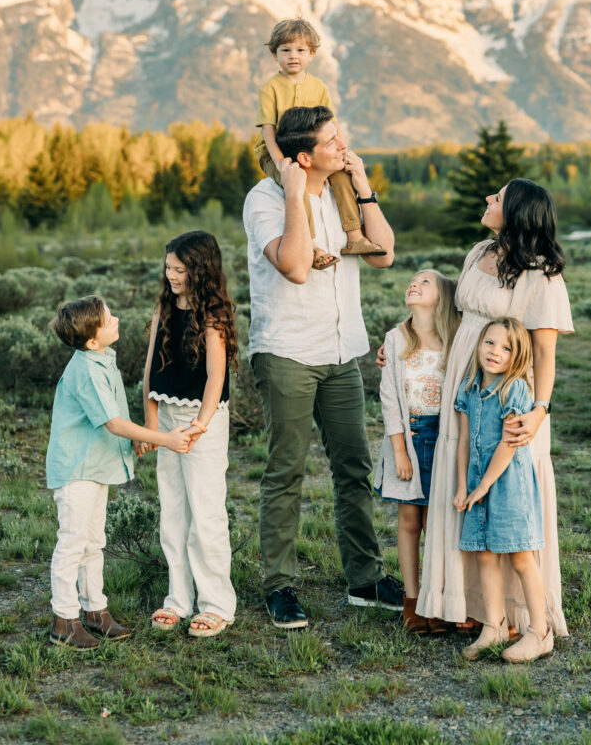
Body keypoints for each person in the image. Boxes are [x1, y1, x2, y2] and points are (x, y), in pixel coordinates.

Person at [243, 104, 402, 630]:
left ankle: (365, 579)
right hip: (287, 351)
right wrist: (294, 195)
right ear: (303, 157)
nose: (343, 145)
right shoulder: (265, 199)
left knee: (353, 468)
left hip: (341, 352)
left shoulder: (341, 194)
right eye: (333, 142)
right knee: (286, 471)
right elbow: (292, 267)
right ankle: (280, 588)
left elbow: (383, 254)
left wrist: (361, 183)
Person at [415, 178, 574, 637]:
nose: (488, 199)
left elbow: (545, 351)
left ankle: (520, 615)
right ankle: (466, 605)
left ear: (519, 212)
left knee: (506, 492)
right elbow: (455, 312)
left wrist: (540, 408)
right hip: (464, 385)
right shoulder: (479, 251)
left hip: (509, 394)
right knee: (462, 476)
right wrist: (404, 340)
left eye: (499, 198)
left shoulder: (540, 272)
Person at [47, 295, 193, 650]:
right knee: (72, 543)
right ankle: (63, 620)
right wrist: (163, 438)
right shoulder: (85, 370)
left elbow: (114, 420)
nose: (116, 319)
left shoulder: (100, 359)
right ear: (92, 339)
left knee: (94, 542)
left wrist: (134, 441)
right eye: (108, 318)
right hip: (76, 471)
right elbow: (113, 423)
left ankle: (95, 610)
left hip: (94, 467)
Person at [142, 231, 238, 638]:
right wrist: (150, 425)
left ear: (200, 271)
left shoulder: (213, 314)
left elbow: (216, 375)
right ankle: (177, 599)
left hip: (204, 420)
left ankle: (216, 604)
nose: (172, 275)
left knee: (206, 511)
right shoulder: (164, 305)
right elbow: (149, 369)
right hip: (166, 418)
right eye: (168, 268)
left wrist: (201, 422)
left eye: (180, 269)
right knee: (173, 508)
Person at [454, 318, 553, 662]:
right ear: (479, 344)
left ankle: (540, 632)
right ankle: (493, 626)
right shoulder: (469, 388)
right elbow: (464, 441)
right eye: (490, 343)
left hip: (508, 485)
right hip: (477, 484)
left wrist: (483, 485)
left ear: (517, 356)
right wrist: (461, 486)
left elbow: (510, 444)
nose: (495, 352)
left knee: (521, 556)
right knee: (484, 553)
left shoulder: (516, 390)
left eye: (506, 347)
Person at [255, 17, 385, 269]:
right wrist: (281, 163)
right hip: (277, 154)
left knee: (342, 177)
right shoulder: (269, 89)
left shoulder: (319, 87)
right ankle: (311, 244)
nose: (294, 56)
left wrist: (342, 153)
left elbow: (331, 124)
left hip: (313, 152)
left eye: (301, 50)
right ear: (274, 54)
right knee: (295, 185)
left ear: (312, 54)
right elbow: (268, 131)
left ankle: (355, 236)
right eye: (286, 50)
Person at [373, 270, 458, 633]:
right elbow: (389, 397)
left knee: (438, 523)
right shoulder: (396, 339)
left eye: (426, 282)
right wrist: (400, 452)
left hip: (446, 438)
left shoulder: (456, 339)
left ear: (443, 297)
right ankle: (412, 602)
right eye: (413, 279)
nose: (415, 284)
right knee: (410, 521)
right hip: (409, 436)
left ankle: (436, 601)